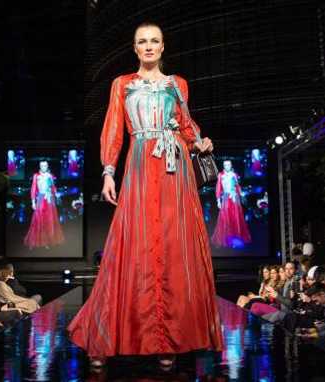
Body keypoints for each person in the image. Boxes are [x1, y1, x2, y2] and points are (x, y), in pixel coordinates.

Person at [67, 21, 221, 369]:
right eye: (142, 42)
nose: (148, 46)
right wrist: (108, 171)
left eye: (154, 41)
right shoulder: (121, 84)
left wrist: (199, 141)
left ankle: (167, 340)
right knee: (131, 246)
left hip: (174, 171)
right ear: (135, 48)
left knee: (172, 247)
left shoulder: (177, 84)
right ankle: (106, 336)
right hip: (139, 166)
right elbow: (113, 130)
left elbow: (185, 125)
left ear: (163, 47)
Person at [24, 161, 66, 249]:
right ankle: (36, 240)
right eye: (42, 166)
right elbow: (33, 188)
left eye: (45, 165)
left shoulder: (50, 175)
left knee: (49, 219)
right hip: (40, 198)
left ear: (47, 166)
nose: (44, 167)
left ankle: (47, 241)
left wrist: (54, 192)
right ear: (40, 166)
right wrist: (33, 202)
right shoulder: (36, 176)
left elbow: (53, 188)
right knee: (38, 219)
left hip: (49, 198)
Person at [211, 160, 252, 248]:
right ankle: (226, 237)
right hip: (226, 198)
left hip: (234, 197)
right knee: (225, 217)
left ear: (231, 165)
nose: (227, 166)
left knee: (236, 217)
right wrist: (218, 200)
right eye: (225, 165)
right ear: (223, 166)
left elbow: (237, 186)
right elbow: (218, 188)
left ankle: (236, 237)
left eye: (229, 165)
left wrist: (241, 194)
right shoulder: (221, 175)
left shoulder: (234, 174)